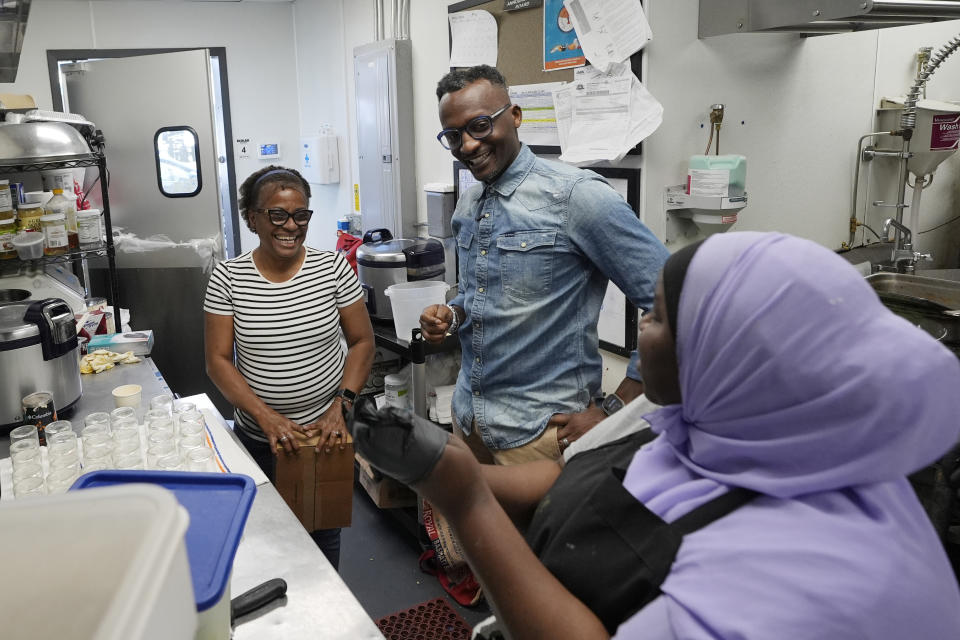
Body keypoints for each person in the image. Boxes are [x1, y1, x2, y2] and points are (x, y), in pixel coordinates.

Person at [352, 231, 960, 638]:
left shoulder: (822, 574)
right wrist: (446, 467)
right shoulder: (696, 416)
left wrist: (467, 501)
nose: (641, 328)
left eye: (658, 316)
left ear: (727, 351)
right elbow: (571, 473)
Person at [419, 65, 669, 465]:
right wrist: (452, 313)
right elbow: (476, 294)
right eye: (453, 136)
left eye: (480, 126)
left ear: (515, 116)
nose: (466, 145)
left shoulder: (577, 197)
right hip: (469, 421)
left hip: (543, 436)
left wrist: (615, 411)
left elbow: (676, 301)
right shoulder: (468, 205)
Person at [204, 165, 374, 569]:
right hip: (262, 439)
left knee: (322, 534)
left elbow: (363, 343)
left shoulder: (332, 269)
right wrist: (267, 418)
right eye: (277, 215)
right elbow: (217, 361)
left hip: (324, 435)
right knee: (267, 541)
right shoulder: (228, 278)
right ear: (253, 219)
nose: (290, 226)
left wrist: (341, 406)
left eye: (300, 215)